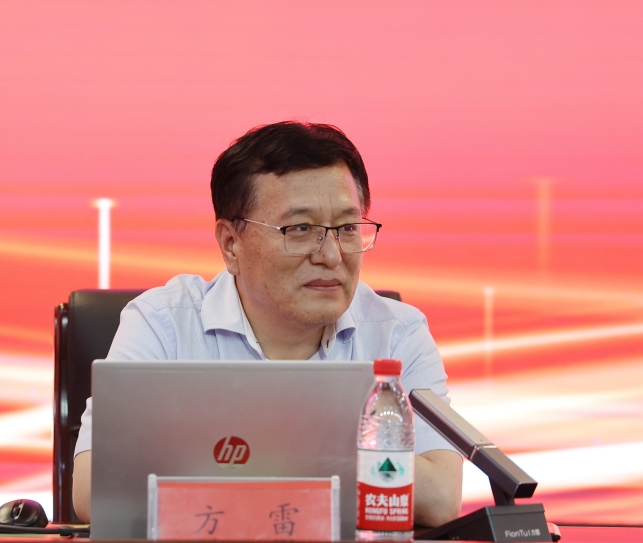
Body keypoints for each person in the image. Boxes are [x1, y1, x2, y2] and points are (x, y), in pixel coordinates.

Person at [71, 121, 462, 526]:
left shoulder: (397, 333)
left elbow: (441, 498)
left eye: (347, 228)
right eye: (301, 229)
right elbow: (94, 489)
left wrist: (239, 460)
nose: (331, 255)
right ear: (231, 244)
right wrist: (337, 457)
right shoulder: (163, 324)